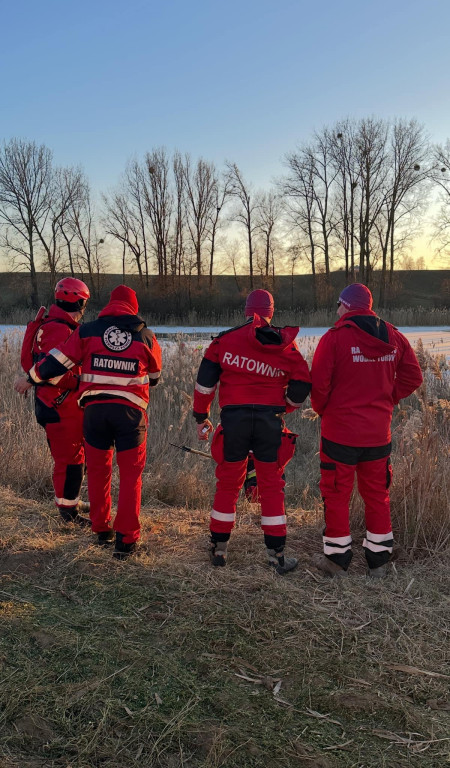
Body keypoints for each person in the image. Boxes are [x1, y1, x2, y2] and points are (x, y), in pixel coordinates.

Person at [17, 285, 162, 560]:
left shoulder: (86, 331)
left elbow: (56, 361)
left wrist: (31, 378)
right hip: (130, 415)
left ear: (109, 305)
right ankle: (126, 541)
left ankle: (101, 530)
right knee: (130, 477)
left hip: (95, 412)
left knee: (98, 471)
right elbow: (154, 377)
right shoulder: (147, 336)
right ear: (134, 308)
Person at [193, 288, 311, 574]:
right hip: (270, 421)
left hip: (233, 420)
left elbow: (205, 383)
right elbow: (302, 384)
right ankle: (277, 556)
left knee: (229, 483)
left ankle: (219, 549)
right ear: (271, 312)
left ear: (246, 310)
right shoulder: (286, 346)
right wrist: (285, 408)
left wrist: (201, 416)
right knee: (272, 486)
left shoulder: (224, 340)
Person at [310, 283, 423, 579]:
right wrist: (388, 397)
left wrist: (326, 411)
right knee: (377, 495)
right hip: (377, 434)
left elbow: (318, 388)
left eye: (338, 304)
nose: (336, 310)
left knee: (336, 495)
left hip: (340, 434)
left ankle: (336, 562)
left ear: (347, 306)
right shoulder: (395, 337)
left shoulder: (333, 339)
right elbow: (413, 376)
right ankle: (379, 562)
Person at [17, 278, 91, 526]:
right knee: (69, 460)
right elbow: (50, 371)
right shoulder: (59, 329)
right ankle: (68, 514)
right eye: (84, 303)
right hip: (58, 405)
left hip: (59, 403)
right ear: (78, 301)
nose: (84, 309)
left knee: (75, 456)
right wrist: (82, 382)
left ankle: (72, 501)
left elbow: (34, 366)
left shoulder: (54, 324)